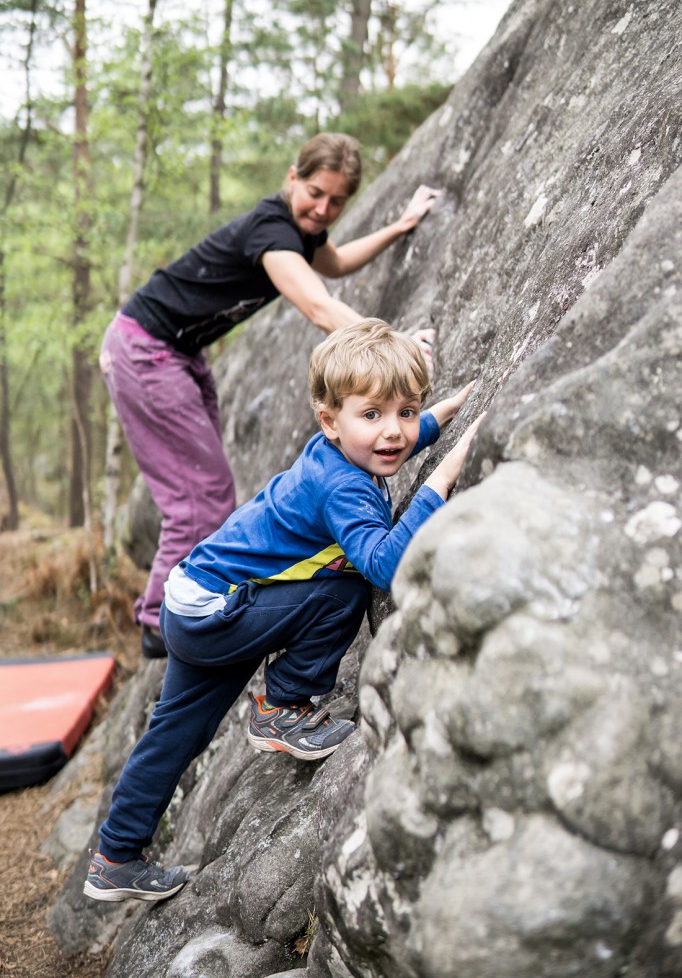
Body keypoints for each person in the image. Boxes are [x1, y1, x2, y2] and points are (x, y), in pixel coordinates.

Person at [84, 318, 484, 904]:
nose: (393, 432)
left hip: (193, 598)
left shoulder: (337, 451)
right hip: (215, 611)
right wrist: (441, 481)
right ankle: (282, 706)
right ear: (330, 420)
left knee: (173, 734)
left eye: (406, 411)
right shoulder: (342, 486)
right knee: (344, 585)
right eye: (372, 414)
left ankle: (115, 857)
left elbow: (391, 437)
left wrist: (445, 414)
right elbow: (383, 565)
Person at [100, 132, 440, 659]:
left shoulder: (303, 232)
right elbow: (321, 309)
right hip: (146, 349)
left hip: (181, 353)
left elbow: (339, 262)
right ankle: (156, 621)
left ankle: (179, 607)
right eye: (314, 192)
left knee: (208, 489)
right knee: (201, 492)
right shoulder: (273, 230)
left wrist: (400, 225)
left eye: (337, 201)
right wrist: (397, 348)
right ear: (291, 178)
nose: (323, 208)